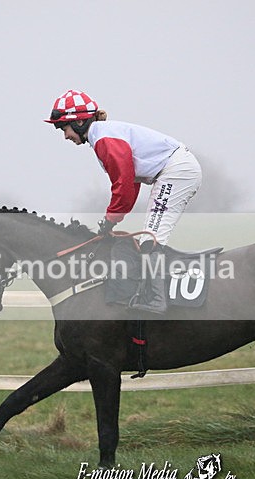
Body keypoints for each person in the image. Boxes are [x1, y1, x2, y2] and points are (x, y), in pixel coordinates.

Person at [45, 89, 203, 313]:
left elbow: (123, 184)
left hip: (176, 172)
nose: (65, 136)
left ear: (79, 122)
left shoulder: (105, 140)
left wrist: (110, 219)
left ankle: (158, 300)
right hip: (176, 170)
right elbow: (130, 183)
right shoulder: (102, 136)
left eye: (64, 129)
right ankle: (154, 293)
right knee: (150, 238)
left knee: (151, 239)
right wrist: (114, 217)